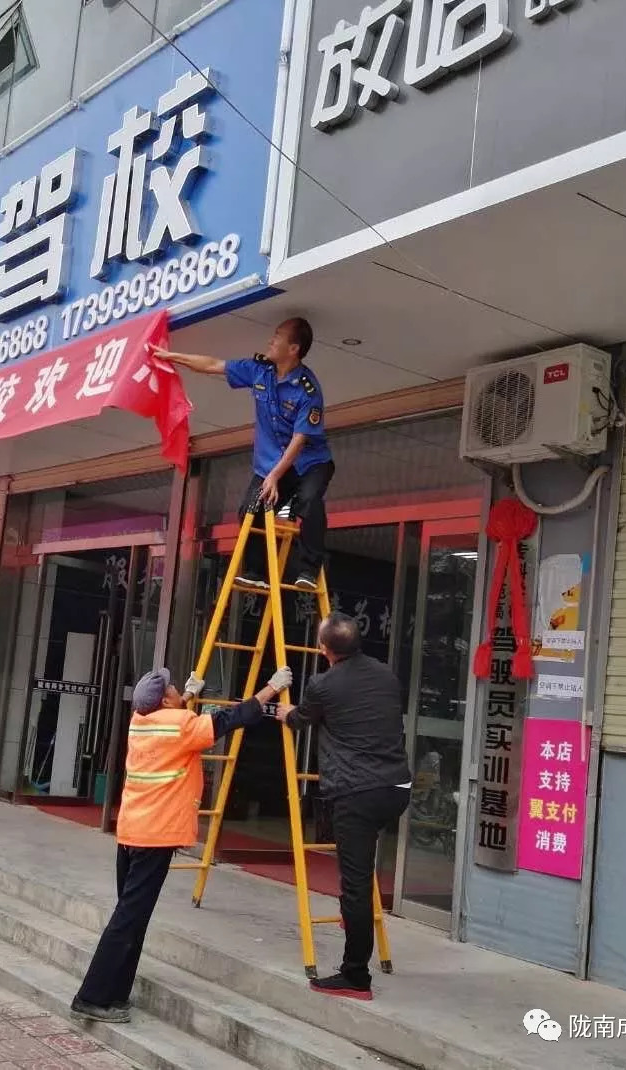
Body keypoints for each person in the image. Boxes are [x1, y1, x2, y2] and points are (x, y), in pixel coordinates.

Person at [71, 662, 293, 1024]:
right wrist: (270, 688)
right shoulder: (180, 725)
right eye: (174, 689)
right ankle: (91, 996)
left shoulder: (140, 722)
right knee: (127, 920)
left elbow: (172, 720)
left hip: (130, 833)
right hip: (155, 836)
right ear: (166, 700)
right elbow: (229, 719)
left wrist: (190, 693)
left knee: (132, 917)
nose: (178, 690)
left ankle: (115, 994)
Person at [275, 613, 411, 1001]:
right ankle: (354, 922)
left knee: (354, 886)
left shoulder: (322, 684)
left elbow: (302, 718)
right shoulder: (386, 674)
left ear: (324, 649)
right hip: (397, 788)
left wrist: (287, 715)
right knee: (360, 873)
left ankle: (356, 977)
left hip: (358, 792)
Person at [150, 318, 334, 590]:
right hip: (272, 465)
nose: (271, 341)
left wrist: (273, 477)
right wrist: (171, 357)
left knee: (309, 501)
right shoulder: (260, 371)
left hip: (310, 464)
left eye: (277, 336)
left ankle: (308, 570)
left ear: (293, 348)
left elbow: (300, 439)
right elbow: (214, 365)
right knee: (250, 508)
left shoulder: (308, 388)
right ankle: (257, 573)